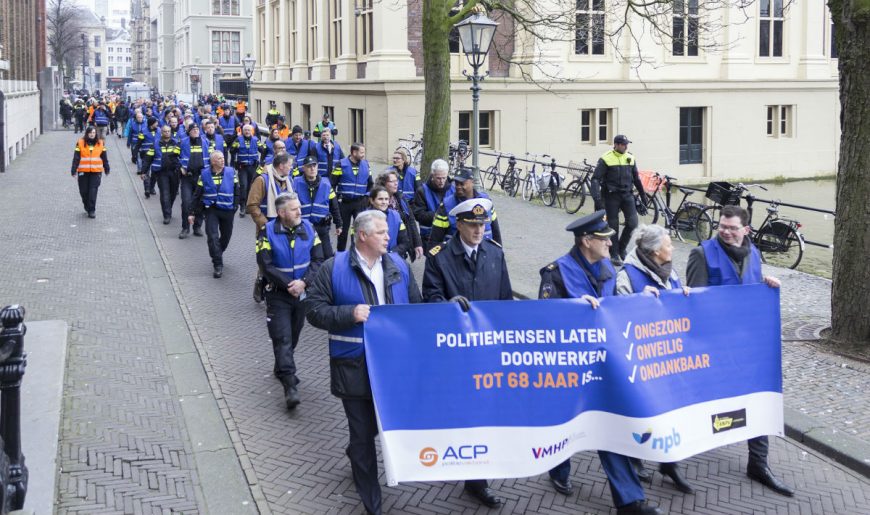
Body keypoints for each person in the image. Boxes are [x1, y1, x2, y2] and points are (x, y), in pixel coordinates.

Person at [538, 210, 662, 515]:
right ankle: (557, 469)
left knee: (610, 427)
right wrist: (572, 310)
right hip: (570, 370)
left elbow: (616, 309)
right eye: (604, 238)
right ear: (586, 241)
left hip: (604, 366)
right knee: (565, 425)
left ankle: (630, 501)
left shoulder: (608, 267)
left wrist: (639, 296)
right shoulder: (555, 273)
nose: (610, 243)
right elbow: (543, 324)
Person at [304, 210, 423, 515]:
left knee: (370, 429)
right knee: (362, 434)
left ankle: (356, 451)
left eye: (388, 232)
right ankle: (372, 501)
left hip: (393, 367)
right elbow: (314, 310)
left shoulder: (399, 264)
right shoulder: (334, 268)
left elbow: (418, 310)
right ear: (362, 236)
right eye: (382, 232)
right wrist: (348, 314)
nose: (389, 236)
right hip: (354, 367)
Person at [686, 204, 794, 497]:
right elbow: (693, 304)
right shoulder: (701, 253)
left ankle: (758, 464)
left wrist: (766, 285)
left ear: (746, 230)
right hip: (715, 349)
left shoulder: (755, 253)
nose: (726, 231)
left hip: (747, 347)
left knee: (758, 400)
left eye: (733, 227)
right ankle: (671, 458)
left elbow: (751, 290)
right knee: (696, 403)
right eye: (723, 226)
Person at [421, 198, 509, 509]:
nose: (478, 230)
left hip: (485, 352)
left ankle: (477, 480)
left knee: (483, 414)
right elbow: (429, 297)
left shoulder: (495, 253)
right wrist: (447, 306)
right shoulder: (440, 258)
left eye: (482, 225)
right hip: (456, 353)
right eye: (472, 225)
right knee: (459, 413)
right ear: (458, 225)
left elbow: (505, 302)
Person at [615, 224, 694, 495]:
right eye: (669, 244)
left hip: (666, 356)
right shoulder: (627, 275)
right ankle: (633, 458)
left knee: (669, 409)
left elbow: (675, 308)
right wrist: (640, 301)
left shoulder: (669, 272)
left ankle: (669, 463)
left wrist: (683, 297)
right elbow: (618, 314)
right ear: (655, 251)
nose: (672, 248)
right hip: (640, 358)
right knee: (639, 411)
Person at [256, 192, 324, 409]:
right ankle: (290, 385)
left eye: (299, 208)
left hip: (302, 293)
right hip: (278, 294)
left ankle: (281, 366)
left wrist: (303, 283)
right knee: (282, 337)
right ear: (282, 212)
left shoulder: (309, 229)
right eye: (295, 209)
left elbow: (319, 259)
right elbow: (266, 265)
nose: (299, 212)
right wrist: (288, 284)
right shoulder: (267, 232)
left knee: (293, 335)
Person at [590, 135, 647, 265]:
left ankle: (621, 248)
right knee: (613, 226)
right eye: (623, 144)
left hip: (627, 195)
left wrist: (643, 195)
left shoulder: (630, 158)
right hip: (611, 196)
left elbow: (636, 178)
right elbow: (595, 179)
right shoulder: (606, 158)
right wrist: (597, 199)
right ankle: (614, 253)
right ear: (616, 144)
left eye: (627, 144)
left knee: (633, 223)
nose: (626, 146)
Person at [248, 152, 297, 302]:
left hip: (287, 228)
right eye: (289, 165)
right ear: (281, 166)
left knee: (282, 258)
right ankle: (260, 283)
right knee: (266, 260)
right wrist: (265, 224)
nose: (291, 167)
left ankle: (278, 288)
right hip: (267, 227)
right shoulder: (262, 180)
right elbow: (252, 205)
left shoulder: (289, 180)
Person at [190, 151, 240, 278]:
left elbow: (237, 190)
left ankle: (217, 252)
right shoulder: (204, 175)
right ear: (213, 162)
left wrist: (235, 206)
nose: (223, 160)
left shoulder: (231, 172)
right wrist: (192, 213)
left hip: (228, 211)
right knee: (212, 237)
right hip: (211, 210)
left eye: (223, 158)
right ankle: (217, 264)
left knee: (226, 237)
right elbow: (197, 194)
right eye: (219, 159)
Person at [429, 166, 501, 248]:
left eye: (462, 183)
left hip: (485, 253)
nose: (458, 187)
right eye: (456, 183)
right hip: (456, 255)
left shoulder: (486, 202)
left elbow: (496, 231)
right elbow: (435, 238)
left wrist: (499, 253)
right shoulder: (447, 205)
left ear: (472, 182)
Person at [293, 155, 342, 258]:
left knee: (328, 256)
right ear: (304, 168)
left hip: (321, 227)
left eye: (314, 166)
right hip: (303, 227)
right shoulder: (296, 183)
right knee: (305, 256)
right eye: (309, 166)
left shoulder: (326, 184)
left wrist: (338, 224)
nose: (312, 169)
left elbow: (334, 206)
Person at [331, 143, 372, 252]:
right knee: (343, 232)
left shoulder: (366, 165)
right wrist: (335, 200)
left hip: (360, 203)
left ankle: (357, 254)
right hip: (344, 203)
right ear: (354, 152)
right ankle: (340, 254)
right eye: (361, 152)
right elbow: (332, 184)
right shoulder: (341, 164)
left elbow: (371, 184)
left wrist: (366, 198)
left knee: (359, 230)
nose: (363, 155)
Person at [375, 171, 423, 261]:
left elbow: (411, 221)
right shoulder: (374, 201)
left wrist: (417, 243)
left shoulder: (400, 198)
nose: (396, 183)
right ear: (383, 183)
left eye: (396, 180)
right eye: (392, 181)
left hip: (400, 248)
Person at [143, 125, 182, 224]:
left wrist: (181, 167)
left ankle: (169, 207)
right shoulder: (156, 144)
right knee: (164, 194)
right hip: (161, 173)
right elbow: (148, 158)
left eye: (169, 131)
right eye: (165, 131)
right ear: (162, 133)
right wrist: (144, 171)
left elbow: (182, 156)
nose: (167, 133)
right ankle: (167, 215)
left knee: (173, 193)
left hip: (174, 172)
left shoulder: (176, 143)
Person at [412, 159, 454, 250]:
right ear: (432, 175)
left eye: (444, 178)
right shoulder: (422, 191)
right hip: (429, 237)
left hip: (450, 237)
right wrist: (438, 216)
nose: (441, 181)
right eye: (438, 178)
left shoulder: (453, 190)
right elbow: (418, 214)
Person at [70, 126, 110, 219]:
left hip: (96, 172)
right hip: (83, 171)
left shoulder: (100, 143)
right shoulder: (80, 142)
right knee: (84, 191)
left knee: (93, 191)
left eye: (94, 133)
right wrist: (73, 170)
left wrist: (107, 168)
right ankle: (87, 206)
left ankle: (92, 210)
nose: (92, 134)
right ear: (87, 133)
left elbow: (104, 157)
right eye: (90, 132)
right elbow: (76, 157)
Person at [364, 186, 411, 259]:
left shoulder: (396, 216)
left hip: (393, 258)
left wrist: (390, 254)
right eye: (380, 199)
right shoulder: (363, 218)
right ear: (372, 200)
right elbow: (359, 244)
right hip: (371, 259)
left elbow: (404, 242)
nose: (384, 202)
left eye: (386, 199)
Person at [179, 123, 207, 238]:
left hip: (201, 177)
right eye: (193, 129)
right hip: (187, 177)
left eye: (197, 129)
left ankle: (197, 227)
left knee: (200, 202)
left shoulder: (205, 142)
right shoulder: (183, 142)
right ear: (189, 131)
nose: (196, 131)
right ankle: (185, 228)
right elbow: (175, 155)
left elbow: (210, 157)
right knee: (186, 202)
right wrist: (180, 166)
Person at [232, 124, 265, 218]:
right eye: (245, 130)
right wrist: (235, 147)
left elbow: (263, 150)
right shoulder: (238, 139)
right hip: (242, 167)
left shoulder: (255, 140)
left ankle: (249, 206)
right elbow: (231, 151)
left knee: (252, 186)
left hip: (253, 167)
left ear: (252, 131)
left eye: (249, 130)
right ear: (243, 131)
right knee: (243, 186)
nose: (247, 132)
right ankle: (242, 207)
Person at [134, 117, 160, 198]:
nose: (157, 124)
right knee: (146, 172)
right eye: (156, 122)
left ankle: (152, 187)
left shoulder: (159, 130)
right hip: (145, 155)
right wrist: (135, 154)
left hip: (156, 155)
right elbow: (138, 143)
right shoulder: (143, 131)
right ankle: (147, 189)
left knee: (155, 173)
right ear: (152, 124)